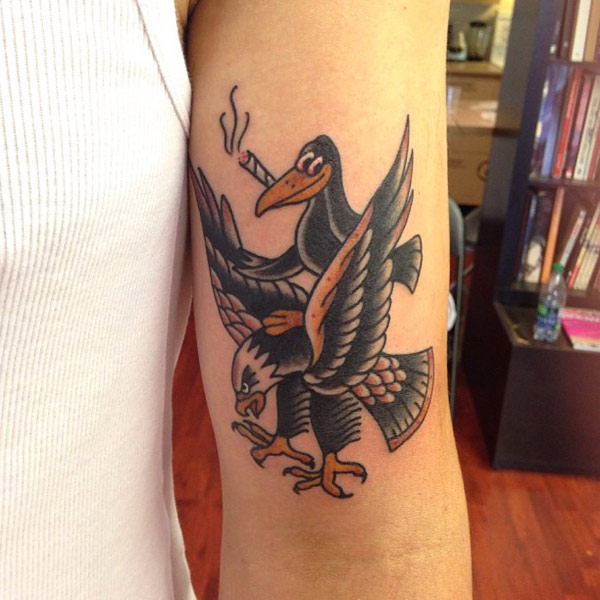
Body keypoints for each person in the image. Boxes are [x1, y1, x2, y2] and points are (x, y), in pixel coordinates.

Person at [1, 1, 471, 598]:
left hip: (348, 328)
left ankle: (328, 453)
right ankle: (298, 437)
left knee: (318, 365)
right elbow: (286, 236)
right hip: (325, 313)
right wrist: (249, 175)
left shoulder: (338, 236)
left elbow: (352, 557)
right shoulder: (312, 226)